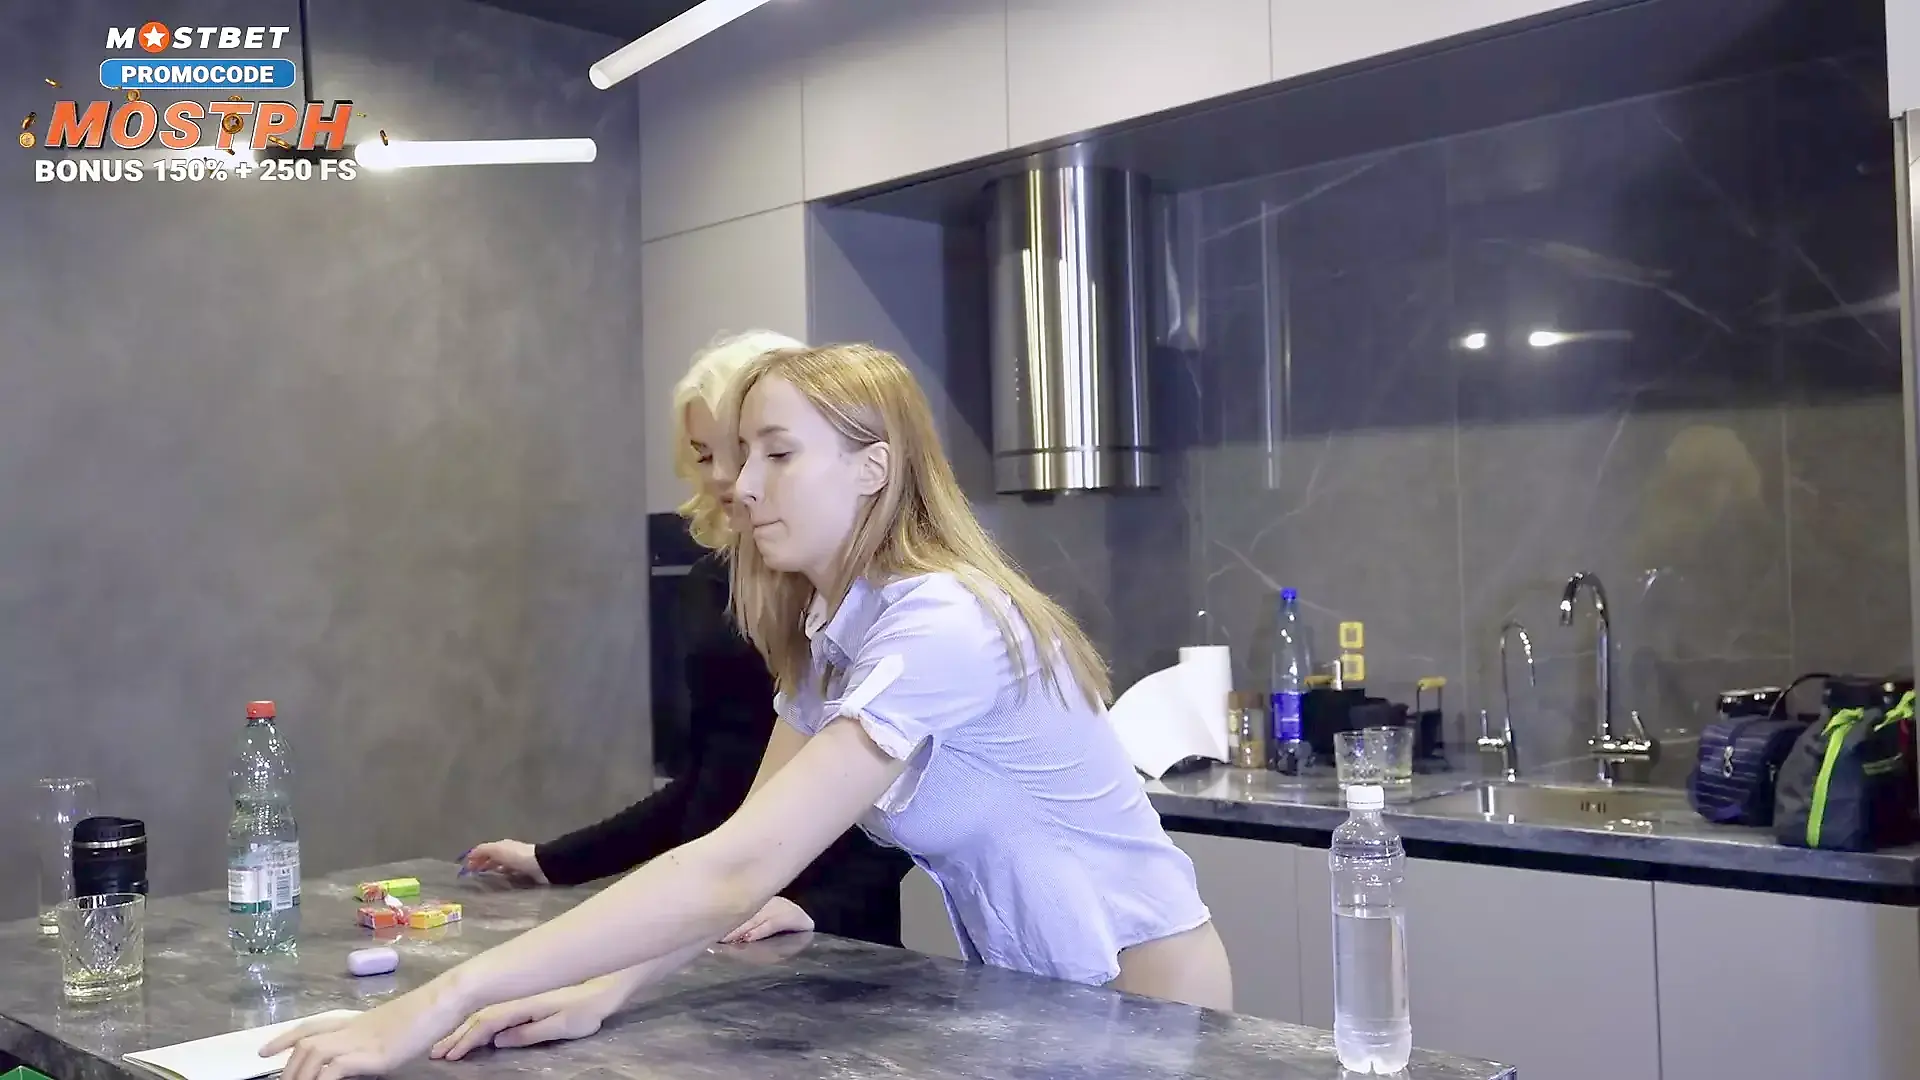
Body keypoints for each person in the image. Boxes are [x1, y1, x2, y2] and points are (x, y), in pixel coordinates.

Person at [264, 343, 1231, 1080]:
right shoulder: (833, 629)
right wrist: (602, 993)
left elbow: (733, 872)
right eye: (736, 456)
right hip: (1036, 1004)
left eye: (777, 453)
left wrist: (435, 1002)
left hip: (1145, 1003)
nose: (742, 485)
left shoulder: (942, 621)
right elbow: (738, 852)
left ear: (872, 467)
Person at [460, 330, 911, 949]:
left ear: (867, 466)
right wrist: (558, 863)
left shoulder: (897, 611)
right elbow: (710, 786)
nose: (731, 478)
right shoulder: (716, 588)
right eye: (707, 455)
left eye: (763, 453)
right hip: (721, 916)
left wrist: (818, 906)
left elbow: (891, 796)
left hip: (825, 939)